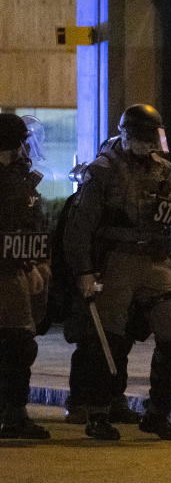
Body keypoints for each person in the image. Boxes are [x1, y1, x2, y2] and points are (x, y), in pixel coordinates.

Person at [65, 104, 171, 441]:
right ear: (128, 135)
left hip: (155, 259)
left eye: (154, 138)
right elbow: (80, 225)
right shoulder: (103, 170)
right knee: (110, 341)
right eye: (144, 138)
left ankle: (157, 413)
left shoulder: (163, 169)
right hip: (118, 259)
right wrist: (84, 271)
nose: (150, 146)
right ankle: (99, 413)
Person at [0, 114, 51, 439]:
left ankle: (15, 413)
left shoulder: (18, 177)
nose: (24, 148)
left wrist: (32, 262)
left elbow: (29, 224)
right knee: (14, 342)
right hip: (6, 271)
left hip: (14, 269)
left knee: (19, 344)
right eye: (19, 141)